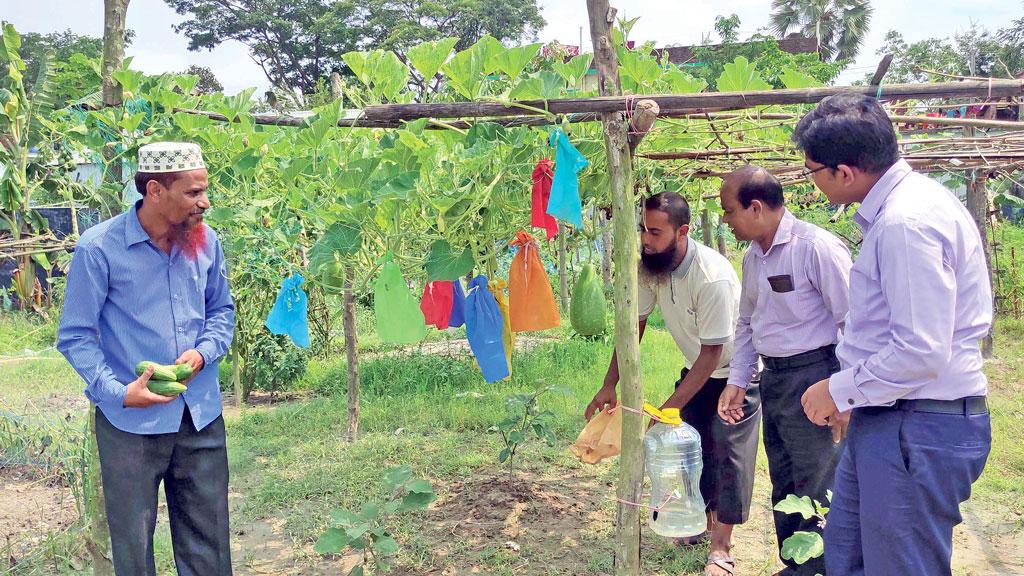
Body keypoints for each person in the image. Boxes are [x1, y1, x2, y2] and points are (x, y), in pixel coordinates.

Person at [794, 93, 992, 575]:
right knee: (850, 555)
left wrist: (837, 390)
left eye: (811, 170)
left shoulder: (906, 223)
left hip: (917, 422)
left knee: (899, 566)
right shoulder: (902, 211)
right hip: (894, 417)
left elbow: (921, 351)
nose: (811, 181)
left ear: (843, 172)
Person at [57, 142, 235, 576]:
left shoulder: (206, 242)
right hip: (129, 427)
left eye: (204, 191)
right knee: (134, 552)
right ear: (155, 190)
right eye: (193, 193)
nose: (205, 203)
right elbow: (75, 336)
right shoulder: (99, 249)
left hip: (200, 416)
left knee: (209, 548)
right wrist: (119, 393)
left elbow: (221, 311)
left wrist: (203, 352)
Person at [586, 192, 760, 576]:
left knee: (729, 457)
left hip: (735, 376)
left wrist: (669, 406)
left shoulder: (711, 277)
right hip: (695, 371)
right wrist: (608, 384)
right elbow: (636, 325)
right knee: (694, 455)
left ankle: (721, 547)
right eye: (643, 230)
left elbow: (714, 352)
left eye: (655, 232)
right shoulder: (653, 266)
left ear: (682, 231)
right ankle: (698, 524)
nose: (646, 240)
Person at [718, 166, 852, 576]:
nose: (726, 219)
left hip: (817, 375)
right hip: (774, 378)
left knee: (818, 479)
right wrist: (739, 380)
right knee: (786, 476)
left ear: (755, 208)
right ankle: (797, 565)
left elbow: (854, 323)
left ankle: (822, 568)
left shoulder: (815, 248)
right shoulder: (753, 256)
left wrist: (845, 395)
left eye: (729, 211)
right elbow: (747, 323)